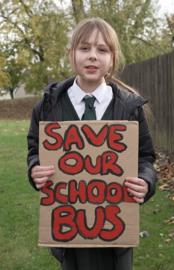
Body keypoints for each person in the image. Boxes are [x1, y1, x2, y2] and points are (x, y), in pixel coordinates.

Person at [26, 17, 157, 270]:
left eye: (102, 49)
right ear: (71, 54)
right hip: (69, 236)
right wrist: (35, 170)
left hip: (115, 239)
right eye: (84, 48)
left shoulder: (129, 107)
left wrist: (146, 181)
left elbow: (145, 158)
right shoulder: (48, 106)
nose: (92, 56)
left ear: (113, 57)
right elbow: (35, 150)